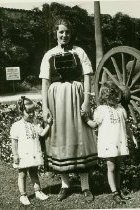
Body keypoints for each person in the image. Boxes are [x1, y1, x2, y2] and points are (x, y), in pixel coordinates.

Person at [39, 18, 97, 202]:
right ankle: (65, 185)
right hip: (56, 99)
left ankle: (86, 186)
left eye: (67, 32)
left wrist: (87, 100)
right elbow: (45, 83)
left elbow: (88, 76)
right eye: (61, 32)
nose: (64, 35)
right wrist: (45, 107)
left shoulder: (79, 52)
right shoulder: (49, 54)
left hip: (77, 96)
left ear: (71, 34)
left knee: (81, 136)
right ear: (55, 33)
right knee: (59, 136)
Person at [82, 81, 138, 204]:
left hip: (120, 141)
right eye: (113, 96)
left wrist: (132, 137)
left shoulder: (120, 108)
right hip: (108, 142)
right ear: (106, 97)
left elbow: (126, 125)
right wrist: (86, 119)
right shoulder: (101, 109)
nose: (116, 99)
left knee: (118, 167)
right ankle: (115, 193)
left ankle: (118, 190)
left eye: (116, 96)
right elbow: (95, 124)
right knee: (111, 166)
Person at [10, 96, 52, 206]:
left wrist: (49, 125)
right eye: (29, 112)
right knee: (22, 174)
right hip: (23, 155)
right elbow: (14, 142)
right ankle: (23, 195)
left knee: (34, 172)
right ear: (21, 112)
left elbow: (42, 133)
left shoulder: (35, 123)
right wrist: (15, 155)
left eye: (33, 111)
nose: (32, 114)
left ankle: (38, 191)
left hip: (33, 153)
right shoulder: (16, 126)